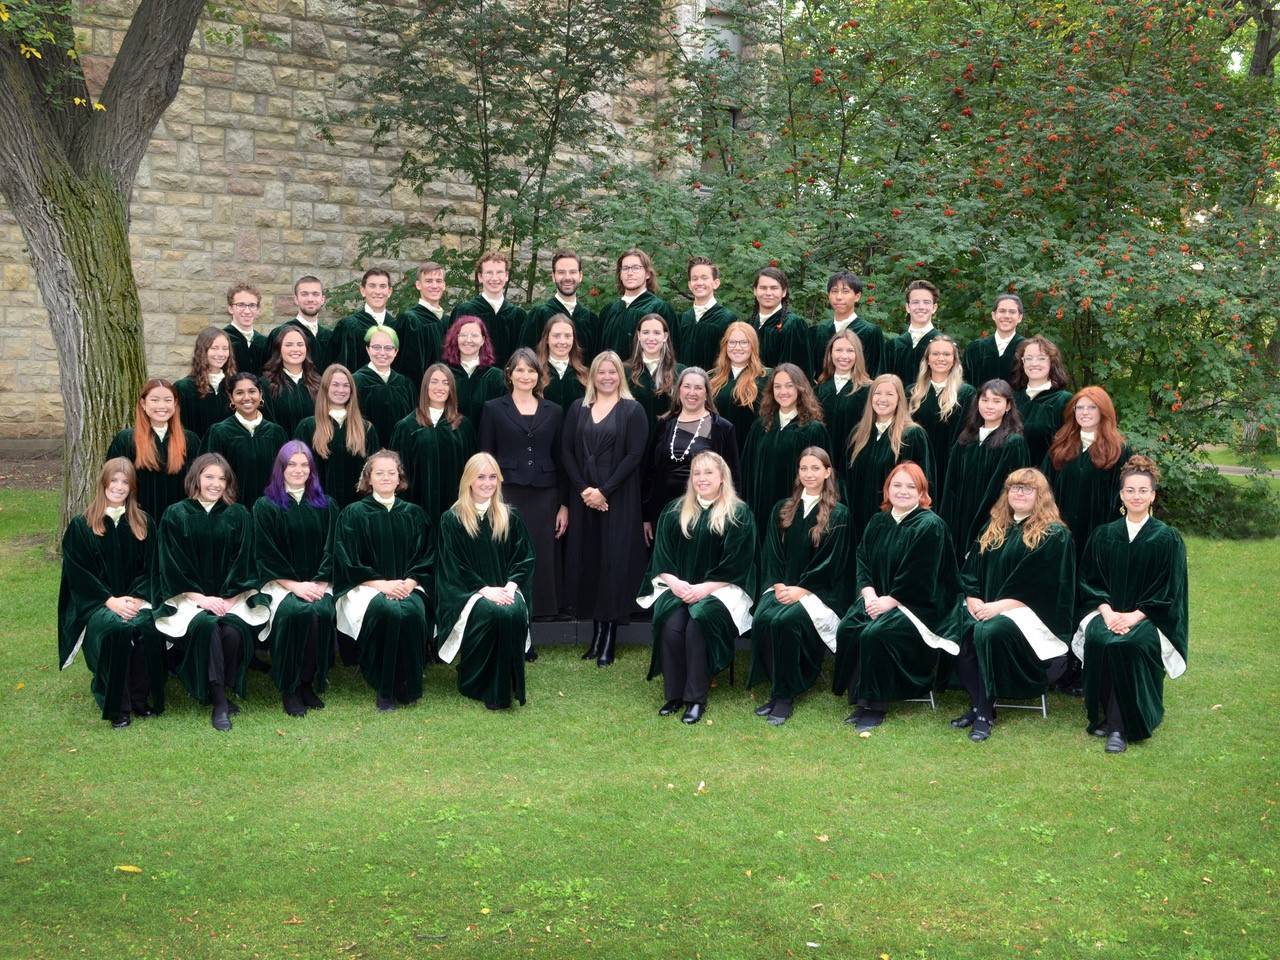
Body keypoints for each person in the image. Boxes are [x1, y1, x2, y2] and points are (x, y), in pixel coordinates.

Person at [832, 462, 960, 732]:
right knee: (850, 627)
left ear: (922, 492)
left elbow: (921, 575)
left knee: (875, 634)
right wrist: (868, 593)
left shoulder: (930, 526)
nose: (902, 491)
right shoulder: (879, 521)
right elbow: (862, 558)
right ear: (888, 489)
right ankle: (860, 698)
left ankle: (875, 705)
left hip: (918, 606)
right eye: (897, 485)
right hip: (877, 598)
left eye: (910, 487)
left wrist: (890, 601)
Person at [950, 468, 1076, 742]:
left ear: (1040, 495)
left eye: (1027, 489)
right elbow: (971, 571)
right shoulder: (995, 526)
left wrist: (997, 608)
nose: (1019, 493)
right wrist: (973, 598)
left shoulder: (1053, 534)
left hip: (1030, 615)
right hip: (986, 607)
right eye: (1014, 488)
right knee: (957, 626)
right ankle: (977, 702)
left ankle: (984, 713)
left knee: (988, 632)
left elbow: (1039, 585)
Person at [1073, 455, 1188, 754]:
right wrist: (1109, 613)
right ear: (1121, 495)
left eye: (1142, 491)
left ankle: (1119, 726)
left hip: (1149, 617)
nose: (1136, 496)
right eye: (1130, 490)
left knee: (1125, 645)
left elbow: (1169, 591)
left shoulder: (1167, 539)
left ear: (1153, 495)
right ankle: (1105, 715)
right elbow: (1089, 581)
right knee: (1100, 638)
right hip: (1107, 612)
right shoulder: (1104, 535)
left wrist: (1133, 618)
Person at [637, 451, 757, 725]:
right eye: (697, 474)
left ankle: (695, 699)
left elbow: (738, 563)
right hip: (680, 587)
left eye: (708, 473)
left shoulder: (738, 513)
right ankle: (674, 695)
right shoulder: (675, 510)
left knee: (698, 623)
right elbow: (662, 556)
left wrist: (704, 589)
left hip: (722, 589)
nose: (702, 479)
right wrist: (675, 583)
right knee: (670, 622)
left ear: (722, 477)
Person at [153, 453, 268, 731]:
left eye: (221, 478)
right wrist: (202, 599)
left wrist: (227, 599)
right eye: (209, 477)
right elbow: (172, 565)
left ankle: (210, 687)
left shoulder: (238, 514)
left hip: (231, 598)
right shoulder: (176, 514)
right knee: (206, 627)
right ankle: (219, 702)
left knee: (231, 632)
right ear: (196, 478)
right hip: (188, 599)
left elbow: (244, 561)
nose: (215, 484)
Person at [748, 448, 854, 725]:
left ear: (828, 472)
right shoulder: (783, 508)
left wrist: (802, 589)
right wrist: (779, 584)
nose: (809, 474)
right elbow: (770, 552)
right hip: (782, 585)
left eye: (815, 468)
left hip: (821, 591)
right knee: (763, 616)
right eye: (804, 468)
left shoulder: (838, 513)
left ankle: (784, 697)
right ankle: (776, 688)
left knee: (786, 621)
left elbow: (832, 562)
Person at [57, 459, 165, 728]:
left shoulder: (144, 523)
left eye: (125, 482)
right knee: (117, 631)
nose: (118, 487)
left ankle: (140, 699)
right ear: (103, 484)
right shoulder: (82, 527)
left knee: (147, 627)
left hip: (136, 599)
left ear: (132, 487)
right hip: (99, 603)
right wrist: (111, 601)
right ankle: (118, 707)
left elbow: (153, 567)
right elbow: (78, 574)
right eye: (113, 481)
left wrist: (138, 598)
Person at [561, 351, 649, 666]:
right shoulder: (578, 408)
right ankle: (595, 633)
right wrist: (585, 490)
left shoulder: (633, 410)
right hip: (584, 498)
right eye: (602, 372)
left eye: (613, 372)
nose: (607, 377)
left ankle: (610, 636)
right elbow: (567, 451)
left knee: (614, 564)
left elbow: (633, 456)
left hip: (618, 498)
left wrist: (603, 491)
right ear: (593, 376)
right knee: (592, 561)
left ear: (619, 376)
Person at [434, 453, 537, 709]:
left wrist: (511, 587)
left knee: (513, 611)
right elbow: (453, 565)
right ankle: (476, 682)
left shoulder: (508, 516)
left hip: (506, 588)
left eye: (492, 477)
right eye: (481, 477)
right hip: (469, 594)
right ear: (469, 480)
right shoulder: (453, 519)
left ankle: (509, 684)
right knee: (496, 613)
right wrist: (485, 590)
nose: (487, 483)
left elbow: (524, 557)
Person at [334, 451, 434, 711]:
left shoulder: (414, 514)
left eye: (392, 472)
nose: (386, 477)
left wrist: (410, 583)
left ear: (399, 477)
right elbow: (348, 561)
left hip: (408, 585)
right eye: (379, 473)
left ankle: (407, 684)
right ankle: (384, 687)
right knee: (387, 610)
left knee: (411, 611)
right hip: (366, 587)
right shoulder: (353, 515)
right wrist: (382, 584)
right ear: (369, 478)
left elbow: (426, 557)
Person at [480, 348, 568, 632]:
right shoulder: (493, 408)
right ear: (509, 374)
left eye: (531, 371)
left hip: (545, 492)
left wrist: (564, 504)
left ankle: (542, 610)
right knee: (510, 550)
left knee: (541, 551)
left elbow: (562, 458)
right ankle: (510, 607)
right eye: (520, 370)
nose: (526, 375)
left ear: (539, 376)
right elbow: (485, 455)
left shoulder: (554, 411)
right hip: (507, 492)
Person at [252, 442, 340, 717]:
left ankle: (306, 683)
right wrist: (295, 586)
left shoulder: (326, 505)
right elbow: (265, 553)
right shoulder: (266, 506)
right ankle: (289, 688)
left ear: (311, 470)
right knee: (293, 613)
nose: (298, 470)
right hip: (281, 585)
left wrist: (321, 583)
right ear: (281, 468)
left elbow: (333, 546)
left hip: (318, 583)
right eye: (292, 464)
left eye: (305, 465)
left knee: (320, 613)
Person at [643, 367, 740, 535]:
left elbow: (733, 477)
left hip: (704, 514)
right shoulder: (664, 425)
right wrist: (645, 516)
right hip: (663, 513)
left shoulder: (722, 428)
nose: (692, 392)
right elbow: (649, 472)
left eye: (698, 388)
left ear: (706, 393)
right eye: (687, 386)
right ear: (679, 389)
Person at [938, 379, 1031, 557]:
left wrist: (984, 533)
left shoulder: (1013, 443)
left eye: (997, 401)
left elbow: (1006, 493)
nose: (989, 406)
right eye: (984, 400)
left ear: (1008, 406)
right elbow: (950, 488)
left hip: (991, 526)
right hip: (959, 524)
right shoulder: (965, 440)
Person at [1043, 386, 1131, 566]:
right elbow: (1044, 485)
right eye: (1080, 407)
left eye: (1092, 407)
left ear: (1103, 411)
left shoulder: (1119, 450)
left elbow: (1123, 496)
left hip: (1099, 532)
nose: (1085, 412)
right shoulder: (1061, 445)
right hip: (1061, 530)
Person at [741, 364, 831, 535]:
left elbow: (823, 477)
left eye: (789, 385)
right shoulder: (760, 426)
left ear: (800, 388)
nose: (783, 391)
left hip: (795, 511)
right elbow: (747, 469)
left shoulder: (813, 429)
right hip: (761, 508)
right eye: (777, 386)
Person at [840, 374, 934, 536]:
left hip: (896, 524)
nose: (882, 399)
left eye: (890, 394)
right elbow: (846, 479)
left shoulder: (911, 435)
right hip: (858, 520)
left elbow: (920, 483)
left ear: (899, 399)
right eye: (877, 393)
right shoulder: (858, 434)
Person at [391, 363, 478, 529]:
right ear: (425, 386)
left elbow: (472, 472)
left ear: (452, 388)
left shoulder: (463, 427)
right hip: (417, 510)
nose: (440, 387)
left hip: (456, 509)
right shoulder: (406, 427)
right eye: (434, 382)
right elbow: (399, 474)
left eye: (446, 383)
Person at [106, 378, 199, 521]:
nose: (162, 406)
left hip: (180, 522)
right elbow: (112, 482)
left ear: (175, 403)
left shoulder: (190, 441)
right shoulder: (126, 440)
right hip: (137, 520)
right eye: (154, 400)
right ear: (143, 404)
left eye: (168, 400)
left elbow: (197, 484)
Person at [293, 364, 380, 509]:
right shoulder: (307, 427)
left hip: (358, 509)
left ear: (352, 390)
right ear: (325, 388)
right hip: (318, 507)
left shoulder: (366, 429)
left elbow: (373, 473)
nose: (341, 390)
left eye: (346, 386)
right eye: (335, 385)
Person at [200, 372, 288, 503]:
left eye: (252, 391)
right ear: (231, 398)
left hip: (270, 510)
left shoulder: (276, 433)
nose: (247, 397)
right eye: (239, 393)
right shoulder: (219, 432)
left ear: (261, 394)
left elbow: (285, 475)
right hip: (231, 511)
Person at [908, 334, 975, 501]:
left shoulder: (966, 393)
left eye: (946, 354)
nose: (941, 358)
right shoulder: (912, 392)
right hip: (917, 463)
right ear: (927, 359)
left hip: (951, 464)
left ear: (954, 360)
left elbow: (969, 433)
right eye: (935, 354)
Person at [596, 248, 679, 360]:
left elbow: (672, 351)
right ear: (620, 274)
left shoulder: (659, 308)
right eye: (625, 268)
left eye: (636, 268)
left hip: (644, 375)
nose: (630, 273)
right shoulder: (609, 310)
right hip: (611, 375)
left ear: (648, 274)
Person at [449, 251, 526, 366]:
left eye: (499, 272)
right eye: (489, 272)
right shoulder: (464, 311)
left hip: (509, 381)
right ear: (480, 277)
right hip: (475, 381)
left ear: (506, 276)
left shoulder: (518, 316)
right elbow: (452, 352)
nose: (494, 278)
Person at [519, 249, 599, 356]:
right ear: (553, 276)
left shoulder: (591, 320)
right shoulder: (539, 315)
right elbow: (525, 359)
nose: (567, 277)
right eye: (561, 272)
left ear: (580, 276)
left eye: (573, 272)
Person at [709, 321, 771, 455]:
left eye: (744, 342)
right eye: (732, 342)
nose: (737, 347)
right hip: (717, 450)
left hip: (752, 451)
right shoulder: (712, 378)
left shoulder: (767, 377)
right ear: (725, 345)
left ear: (753, 346)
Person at [1011, 334, 1072, 466]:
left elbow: (1068, 447)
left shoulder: (1063, 400)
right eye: (1029, 358)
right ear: (1022, 362)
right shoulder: (1012, 399)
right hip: (1011, 479)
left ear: (1052, 362)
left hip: (1046, 479)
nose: (1034, 363)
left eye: (1041, 358)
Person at [810, 270, 884, 377]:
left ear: (857, 296)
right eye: (834, 291)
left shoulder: (870, 332)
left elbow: (877, 373)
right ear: (828, 295)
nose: (839, 297)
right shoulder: (819, 331)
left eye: (845, 291)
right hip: (823, 392)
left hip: (859, 391)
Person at [352, 325, 416, 445]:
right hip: (366, 450)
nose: (382, 352)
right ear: (367, 349)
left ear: (396, 352)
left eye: (388, 348)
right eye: (376, 347)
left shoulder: (405, 384)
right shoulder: (355, 382)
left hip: (400, 452)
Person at [814, 327, 872, 456]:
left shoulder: (868, 390)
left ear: (858, 354)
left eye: (850, 351)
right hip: (823, 459)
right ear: (830, 353)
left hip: (854, 458)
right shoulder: (820, 389)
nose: (844, 356)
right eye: (838, 350)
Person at [675, 256, 737, 371]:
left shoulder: (727, 319)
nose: (699, 283)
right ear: (689, 285)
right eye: (695, 278)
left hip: (714, 384)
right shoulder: (682, 319)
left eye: (704, 278)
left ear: (716, 283)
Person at [443, 314, 506, 428]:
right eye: (463, 335)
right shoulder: (444, 374)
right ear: (455, 338)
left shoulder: (497, 377)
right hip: (452, 440)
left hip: (486, 442)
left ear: (483, 340)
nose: (468, 340)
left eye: (474, 335)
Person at [626, 312, 684, 435]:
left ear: (665, 336)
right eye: (646, 332)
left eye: (657, 333)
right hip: (633, 442)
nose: (651, 338)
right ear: (639, 335)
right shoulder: (624, 371)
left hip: (668, 443)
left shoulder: (680, 372)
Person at [174, 326, 236, 439]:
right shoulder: (184, 388)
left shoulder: (234, 386)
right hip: (197, 454)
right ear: (202, 350)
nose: (221, 354)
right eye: (215, 348)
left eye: (225, 348)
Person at [748, 265, 812, 374]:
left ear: (784, 292)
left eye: (774, 288)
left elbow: (797, 372)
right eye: (763, 288)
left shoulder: (792, 324)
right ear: (755, 291)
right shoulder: (749, 323)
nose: (768, 293)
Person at [394, 260, 448, 387]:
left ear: (444, 285)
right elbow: (405, 368)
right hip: (418, 396)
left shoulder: (447, 321)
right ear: (418, 285)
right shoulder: (410, 320)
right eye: (429, 281)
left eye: (439, 281)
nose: (435, 286)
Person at [332, 268, 397, 372]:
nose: (377, 291)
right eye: (372, 286)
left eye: (382, 286)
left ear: (389, 292)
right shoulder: (349, 326)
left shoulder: (396, 326)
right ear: (362, 291)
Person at [260, 326, 320, 436]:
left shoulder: (318, 383)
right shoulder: (266, 385)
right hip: (281, 449)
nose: (295, 349)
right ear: (279, 349)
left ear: (306, 349)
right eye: (289, 345)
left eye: (300, 344)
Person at [267, 275, 333, 370]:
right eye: (304, 294)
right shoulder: (280, 333)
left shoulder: (330, 336)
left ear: (322, 299)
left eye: (315, 294)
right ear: (296, 299)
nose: (310, 299)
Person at [885, 279, 942, 387]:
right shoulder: (893, 346)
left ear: (934, 308)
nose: (921, 307)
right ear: (907, 307)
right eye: (915, 302)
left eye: (926, 302)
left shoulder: (943, 344)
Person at [963, 292, 1026, 387]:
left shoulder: (1027, 349)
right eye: (1002, 311)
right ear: (993, 315)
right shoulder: (975, 349)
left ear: (1020, 317)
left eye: (1012, 312)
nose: (1007, 316)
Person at [536, 314, 589, 412]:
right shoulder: (535, 372)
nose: (562, 341)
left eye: (568, 336)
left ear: (573, 339)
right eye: (556, 336)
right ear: (547, 339)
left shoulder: (584, 375)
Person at [223, 282, 268, 377]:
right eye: (241, 305)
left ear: (258, 309)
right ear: (230, 308)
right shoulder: (222, 339)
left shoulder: (265, 342)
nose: (247, 311)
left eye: (252, 305)